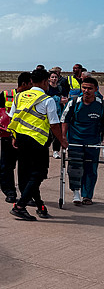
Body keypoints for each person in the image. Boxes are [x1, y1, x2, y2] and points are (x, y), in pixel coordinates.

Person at [8, 68, 68, 220]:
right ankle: (20, 206)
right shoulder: (47, 100)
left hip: (21, 139)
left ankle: (40, 206)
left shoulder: (19, 96)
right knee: (38, 174)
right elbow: (54, 125)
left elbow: (13, 117)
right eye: (48, 81)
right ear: (43, 82)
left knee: (29, 175)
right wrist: (62, 141)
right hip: (37, 141)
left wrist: (14, 136)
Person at [0, 72, 31, 202]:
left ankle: (26, 194)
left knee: (25, 167)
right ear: (24, 84)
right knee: (7, 166)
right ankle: (10, 192)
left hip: (24, 136)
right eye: (30, 83)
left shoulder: (31, 96)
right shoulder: (7, 95)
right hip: (8, 136)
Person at [61, 76, 104, 205]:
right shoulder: (74, 102)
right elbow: (64, 120)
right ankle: (76, 193)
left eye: (90, 88)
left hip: (93, 143)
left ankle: (87, 196)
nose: (86, 91)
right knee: (75, 168)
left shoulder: (101, 105)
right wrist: (63, 138)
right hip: (75, 141)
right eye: (84, 87)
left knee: (91, 169)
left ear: (96, 89)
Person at [47, 71, 63, 158]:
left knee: (58, 132)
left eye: (55, 77)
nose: (54, 79)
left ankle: (56, 151)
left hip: (58, 112)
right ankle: (46, 147)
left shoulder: (60, 88)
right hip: (48, 113)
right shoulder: (47, 88)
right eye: (52, 77)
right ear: (49, 78)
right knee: (49, 133)